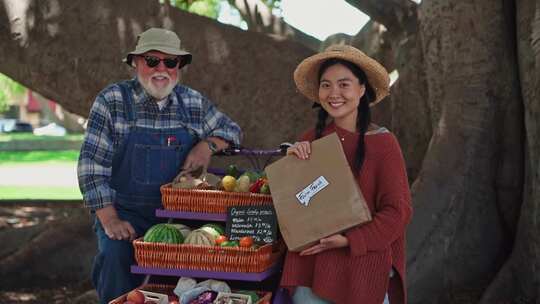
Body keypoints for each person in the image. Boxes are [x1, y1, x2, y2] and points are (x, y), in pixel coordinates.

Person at [77, 27, 242, 303]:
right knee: (113, 260)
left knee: (185, 286)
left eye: (170, 62)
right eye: (152, 61)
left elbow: (232, 130)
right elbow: (90, 167)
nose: (161, 69)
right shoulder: (113, 101)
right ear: (135, 63)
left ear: (180, 66)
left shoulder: (192, 102)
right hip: (124, 215)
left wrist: (207, 145)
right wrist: (110, 219)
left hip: (178, 219)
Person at [280, 44, 413, 304]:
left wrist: (348, 240)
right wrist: (292, 166)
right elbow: (297, 207)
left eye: (344, 84)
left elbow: (398, 212)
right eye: (326, 85)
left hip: (364, 277)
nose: (334, 93)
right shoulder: (310, 140)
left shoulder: (384, 143)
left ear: (362, 89)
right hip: (312, 277)